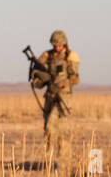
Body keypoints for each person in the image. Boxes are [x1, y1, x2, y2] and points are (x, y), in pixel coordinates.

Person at [32, 30, 79, 164]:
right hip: (50, 96)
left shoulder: (70, 57)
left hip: (63, 97)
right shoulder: (48, 56)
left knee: (51, 124)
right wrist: (37, 78)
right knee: (49, 126)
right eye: (55, 45)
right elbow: (39, 72)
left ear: (64, 43)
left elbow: (75, 79)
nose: (57, 47)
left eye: (59, 45)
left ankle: (51, 154)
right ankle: (62, 151)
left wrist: (61, 84)